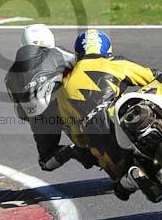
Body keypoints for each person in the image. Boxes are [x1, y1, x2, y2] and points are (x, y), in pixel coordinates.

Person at [57, 29, 162, 201]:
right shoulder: (113, 63)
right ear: (107, 51)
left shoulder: (62, 92)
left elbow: (77, 139)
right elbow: (155, 75)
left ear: (78, 55)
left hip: (105, 149)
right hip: (121, 117)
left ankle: (131, 178)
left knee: (119, 187)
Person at [5, 24, 97, 172]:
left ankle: (72, 151)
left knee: (46, 162)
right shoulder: (58, 52)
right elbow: (83, 66)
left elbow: (20, 112)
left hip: (40, 118)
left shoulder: (10, 75)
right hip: (67, 104)